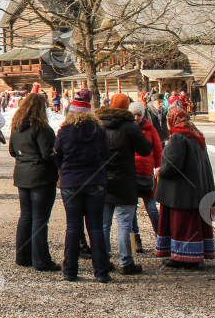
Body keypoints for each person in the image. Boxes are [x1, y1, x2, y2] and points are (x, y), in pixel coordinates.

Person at [53, 88, 112, 283]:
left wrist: (63, 170)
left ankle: (70, 270)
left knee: (73, 227)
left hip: (71, 182)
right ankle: (101, 271)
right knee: (95, 228)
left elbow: (57, 155)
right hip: (95, 180)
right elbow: (106, 154)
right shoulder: (99, 131)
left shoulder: (64, 132)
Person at [95, 93, 152, 275]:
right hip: (125, 180)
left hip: (103, 180)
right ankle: (126, 261)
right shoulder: (130, 127)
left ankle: (104, 259)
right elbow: (145, 149)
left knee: (104, 224)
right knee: (125, 224)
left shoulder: (98, 125)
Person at [155, 105, 215, 268]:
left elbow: (174, 165)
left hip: (181, 191)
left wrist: (161, 171)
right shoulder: (196, 135)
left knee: (182, 225)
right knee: (191, 225)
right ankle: (194, 255)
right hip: (197, 189)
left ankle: (183, 257)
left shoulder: (178, 136)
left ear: (171, 120)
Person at [9, 93, 60, 271]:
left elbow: (12, 151)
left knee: (25, 216)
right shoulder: (42, 129)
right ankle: (41, 260)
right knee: (40, 219)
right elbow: (48, 154)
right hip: (41, 176)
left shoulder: (16, 127)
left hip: (22, 174)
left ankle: (23, 256)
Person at [129, 101, 162, 253]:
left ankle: (160, 237)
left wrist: (159, 166)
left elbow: (158, 149)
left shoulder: (150, 130)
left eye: (139, 115)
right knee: (132, 210)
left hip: (147, 173)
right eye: (133, 115)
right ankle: (136, 240)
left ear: (143, 115)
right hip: (131, 173)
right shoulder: (127, 129)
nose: (136, 118)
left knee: (152, 208)